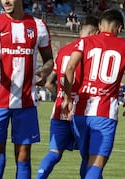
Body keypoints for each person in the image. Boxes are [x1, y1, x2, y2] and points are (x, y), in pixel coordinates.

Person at [0, 0, 54, 178]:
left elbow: (49, 60)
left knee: (23, 154)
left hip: (27, 102)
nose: (6, 1)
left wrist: (44, 72)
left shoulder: (38, 26)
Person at [63, 9, 125, 178]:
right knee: (96, 164)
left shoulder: (85, 42)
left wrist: (67, 97)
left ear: (99, 25)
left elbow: (69, 68)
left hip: (81, 110)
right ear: (120, 28)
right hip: (105, 113)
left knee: (86, 160)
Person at [36, 16, 99, 179]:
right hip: (81, 110)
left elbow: (49, 83)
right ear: (95, 32)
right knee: (88, 157)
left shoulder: (63, 51)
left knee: (54, 153)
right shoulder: (91, 52)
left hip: (60, 109)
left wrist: (63, 95)